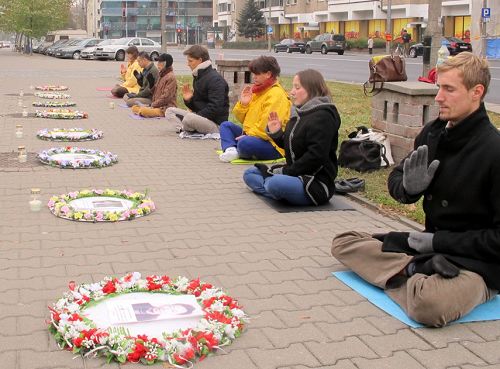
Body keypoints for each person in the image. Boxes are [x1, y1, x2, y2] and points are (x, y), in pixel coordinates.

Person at [331, 52, 500, 327]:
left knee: (428, 306)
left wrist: (437, 244)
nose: (438, 98)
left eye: (448, 89)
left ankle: (414, 272)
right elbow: (397, 178)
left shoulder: (494, 151)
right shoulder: (432, 132)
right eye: (438, 88)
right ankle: (414, 269)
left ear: (476, 92)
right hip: (429, 249)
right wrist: (408, 188)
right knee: (344, 242)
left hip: (476, 263)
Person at [243, 69, 340, 206]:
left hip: (314, 184)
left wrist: (285, 172)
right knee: (250, 174)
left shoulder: (324, 116)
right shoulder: (299, 112)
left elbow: (315, 157)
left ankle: (275, 190)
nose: (292, 92)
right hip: (295, 174)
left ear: (312, 89)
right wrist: (276, 133)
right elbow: (292, 146)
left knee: (275, 183)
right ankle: (279, 193)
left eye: (297, 87)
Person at [219, 56, 291, 162]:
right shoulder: (258, 91)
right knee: (225, 125)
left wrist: (248, 136)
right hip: (252, 135)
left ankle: (235, 147)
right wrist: (243, 104)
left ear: (268, 74)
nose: (254, 77)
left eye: (257, 74)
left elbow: (266, 127)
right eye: (253, 73)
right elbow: (243, 120)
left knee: (245, 143)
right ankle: (231, 150)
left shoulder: (276, 94)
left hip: (272, 143)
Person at [165, 45, 229, 134]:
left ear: (200, 60)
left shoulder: (216, 80)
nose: (188, 64)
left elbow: (215, 108)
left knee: (189, 118)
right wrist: (189, 100)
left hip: (216, 124)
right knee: (169, 111)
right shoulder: (198, 76)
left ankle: (186, 127)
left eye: (190, 61)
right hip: (200, 118)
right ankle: (185, 128)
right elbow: (197, 106)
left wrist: (196, 116)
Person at [131, 53, 177, 118]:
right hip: (156, 105)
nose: (158, 64)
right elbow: (154, 92)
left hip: (165, 108)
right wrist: (151, 85)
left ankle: (145, 111)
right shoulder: (161, 75)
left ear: (165, 64)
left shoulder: (171, 77)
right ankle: (145, 110)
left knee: (144, 111)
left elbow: (166, 97)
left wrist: (152, 105)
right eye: (158, 62)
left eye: (160, 62)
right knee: (134, 107)